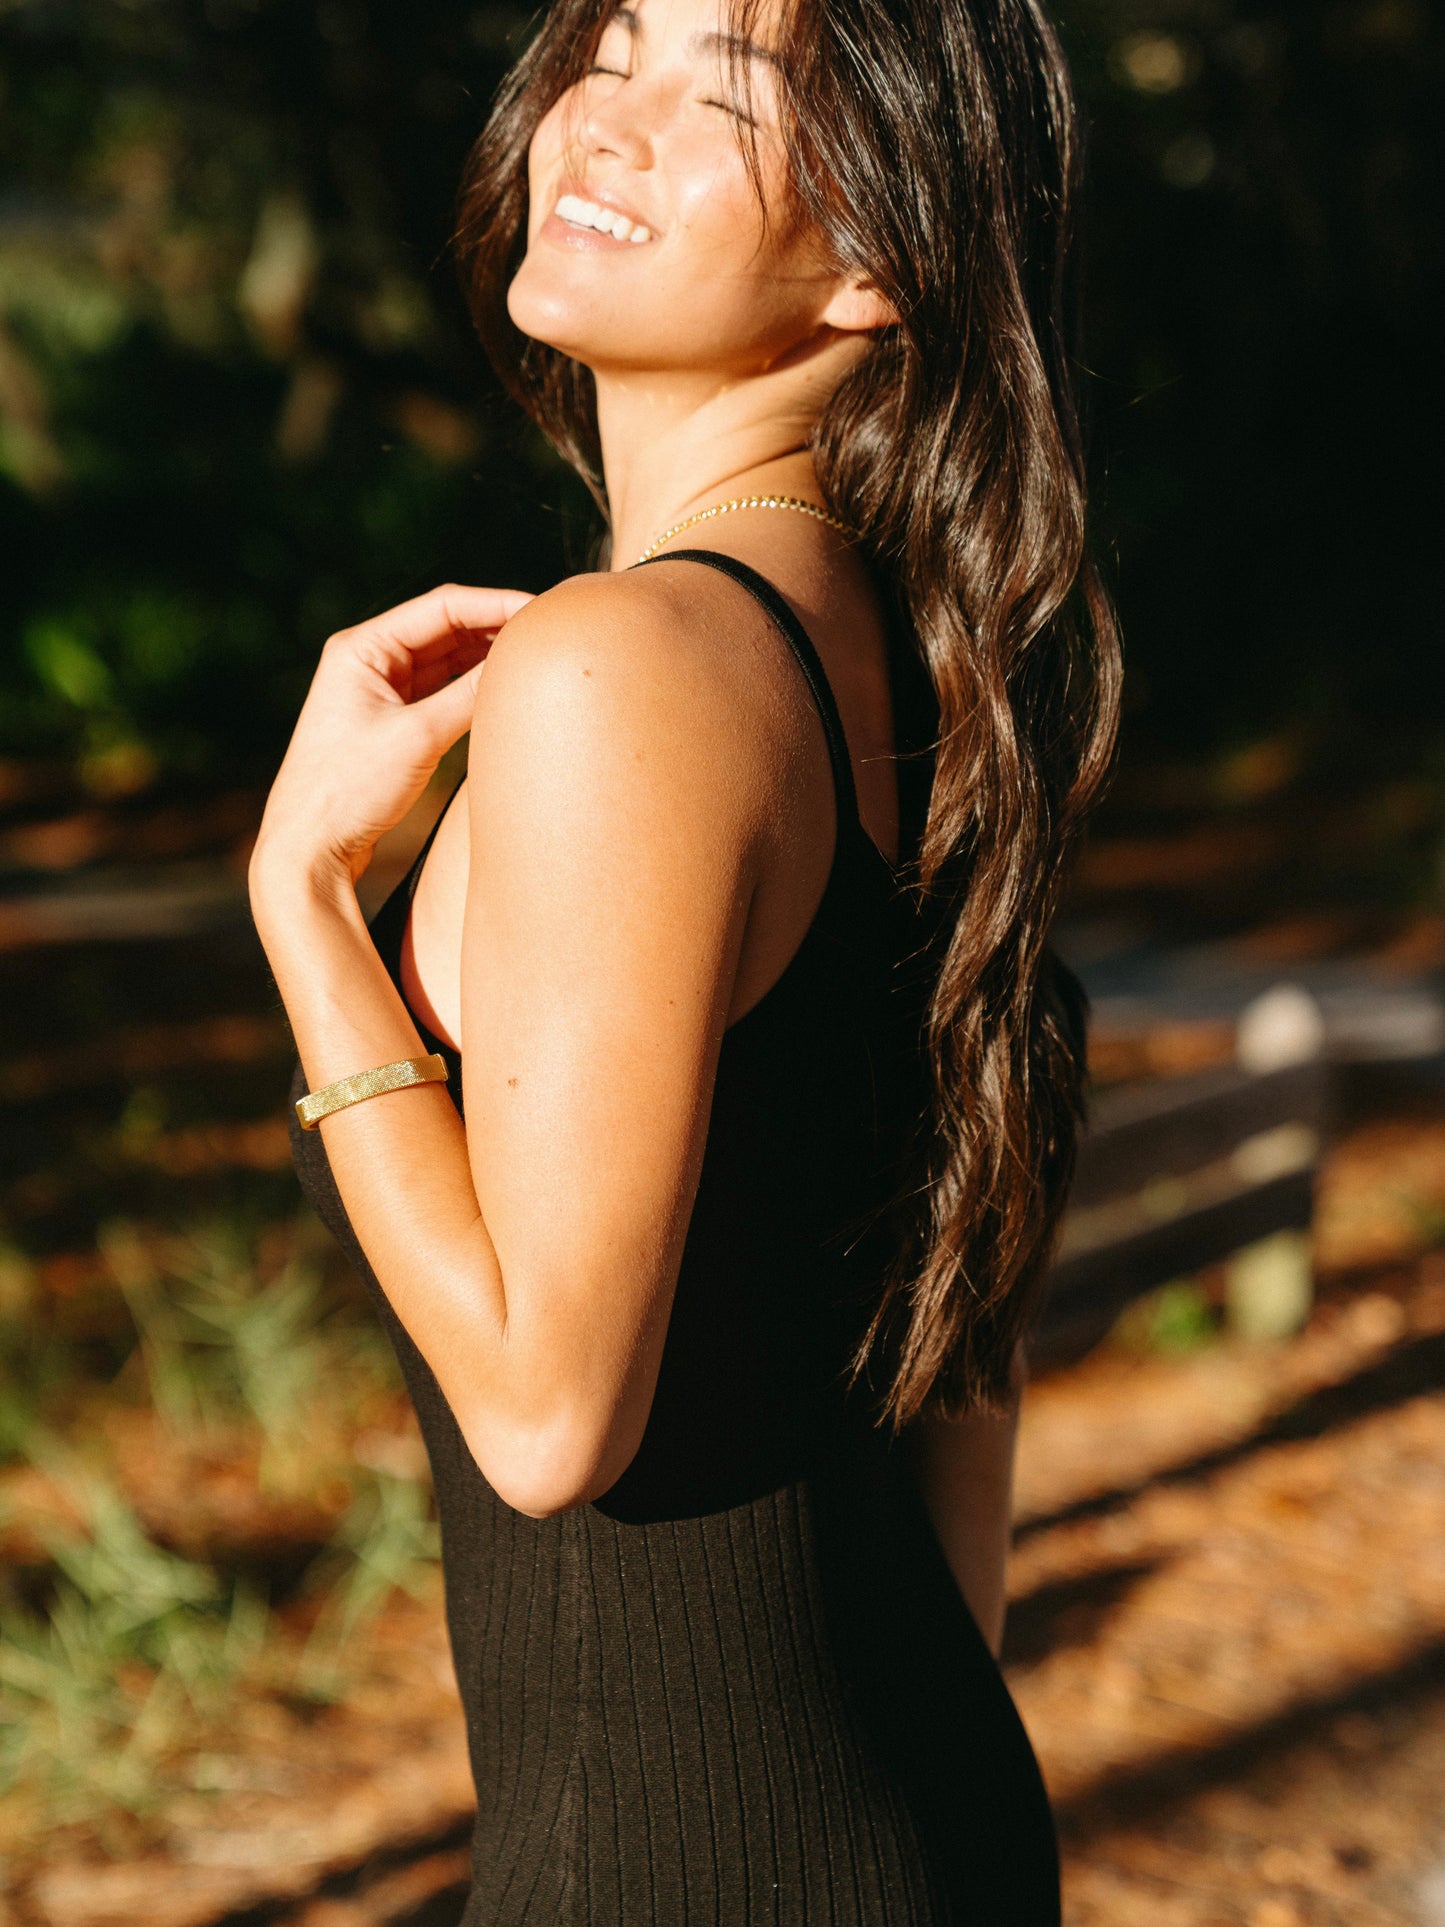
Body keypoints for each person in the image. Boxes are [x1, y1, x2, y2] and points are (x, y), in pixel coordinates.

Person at [250, 0, 1121, 1916]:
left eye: (719, 89)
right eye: (609, 45)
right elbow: (952, 1384)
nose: (602, 123)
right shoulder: (902, 667)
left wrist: (306, 912)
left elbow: (550, 1421)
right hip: (912, 1804)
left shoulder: (627, 666)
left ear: (882, 258)